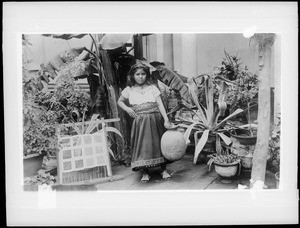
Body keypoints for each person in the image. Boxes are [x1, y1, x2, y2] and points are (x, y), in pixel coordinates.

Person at [117, 63, 173, 182]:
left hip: (155, 119)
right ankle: (145, 172)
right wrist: (128, 109)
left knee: (158, 143)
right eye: (137, 74)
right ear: (133, 76)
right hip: (140, 121)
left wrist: (166, 119)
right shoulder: (129, 90)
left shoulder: (152, 88)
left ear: (147, 75)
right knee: (142, 145)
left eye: (143, 74)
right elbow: (120, 101)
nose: (140, 76)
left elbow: (159, 104)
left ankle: (163, 170)